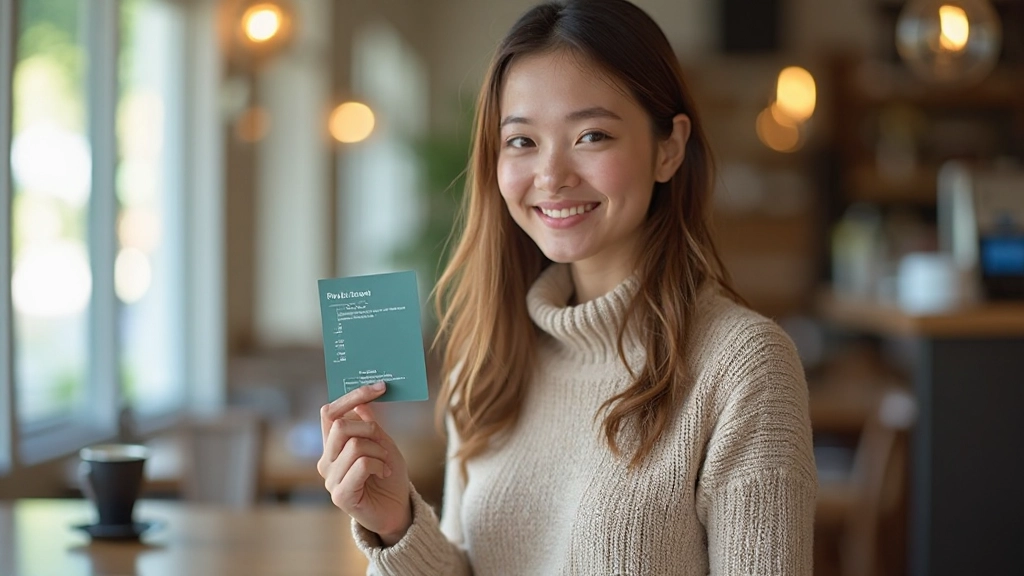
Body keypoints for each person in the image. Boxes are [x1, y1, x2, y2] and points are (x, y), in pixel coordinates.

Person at [317, 0, 817, 574]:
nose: (552, 176)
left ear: (668, 148)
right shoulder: (487, 361)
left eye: (592, 135)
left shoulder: (743, 366)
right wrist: (396, 524)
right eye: (523, 142)